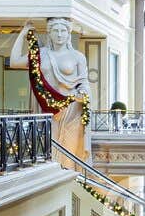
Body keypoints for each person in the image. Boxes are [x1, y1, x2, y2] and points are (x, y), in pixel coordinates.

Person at [8, 17, 91, 161]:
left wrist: (83, 92)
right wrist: (23, 33)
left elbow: (84, 82)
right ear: (49, 33)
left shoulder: (77, 57)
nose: (59, 34)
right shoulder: (40, 54)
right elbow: (14, 62)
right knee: (48, 150)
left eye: (63, 31)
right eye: (55, 31)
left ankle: (72, 178)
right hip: (46, 109)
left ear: (68, 33)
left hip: (71, 110)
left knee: (69, 152)